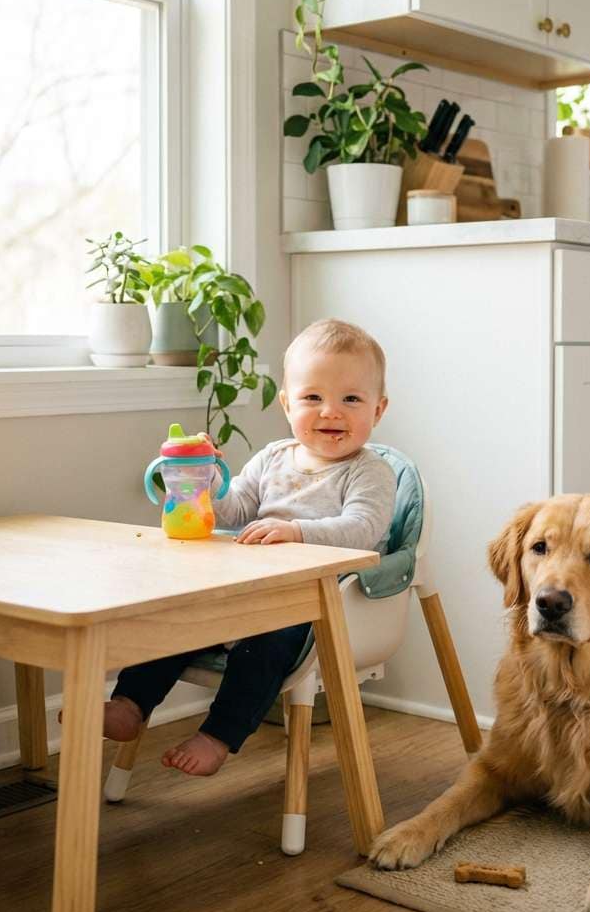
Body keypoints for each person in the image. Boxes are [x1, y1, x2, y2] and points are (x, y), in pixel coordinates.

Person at [104, 318, 397, 776]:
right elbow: (235, 510)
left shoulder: (368, 471)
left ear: (378, 410)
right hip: (244, 590)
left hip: (310, 604)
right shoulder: (271, 459)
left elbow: (362, 528)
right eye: (313, 398)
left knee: (267, 646)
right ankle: (130, 702)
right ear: (286, 404)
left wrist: (296, 531)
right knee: (175, 615)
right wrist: (205, 481)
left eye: (351, 399)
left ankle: (218, 734)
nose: (330, 412)